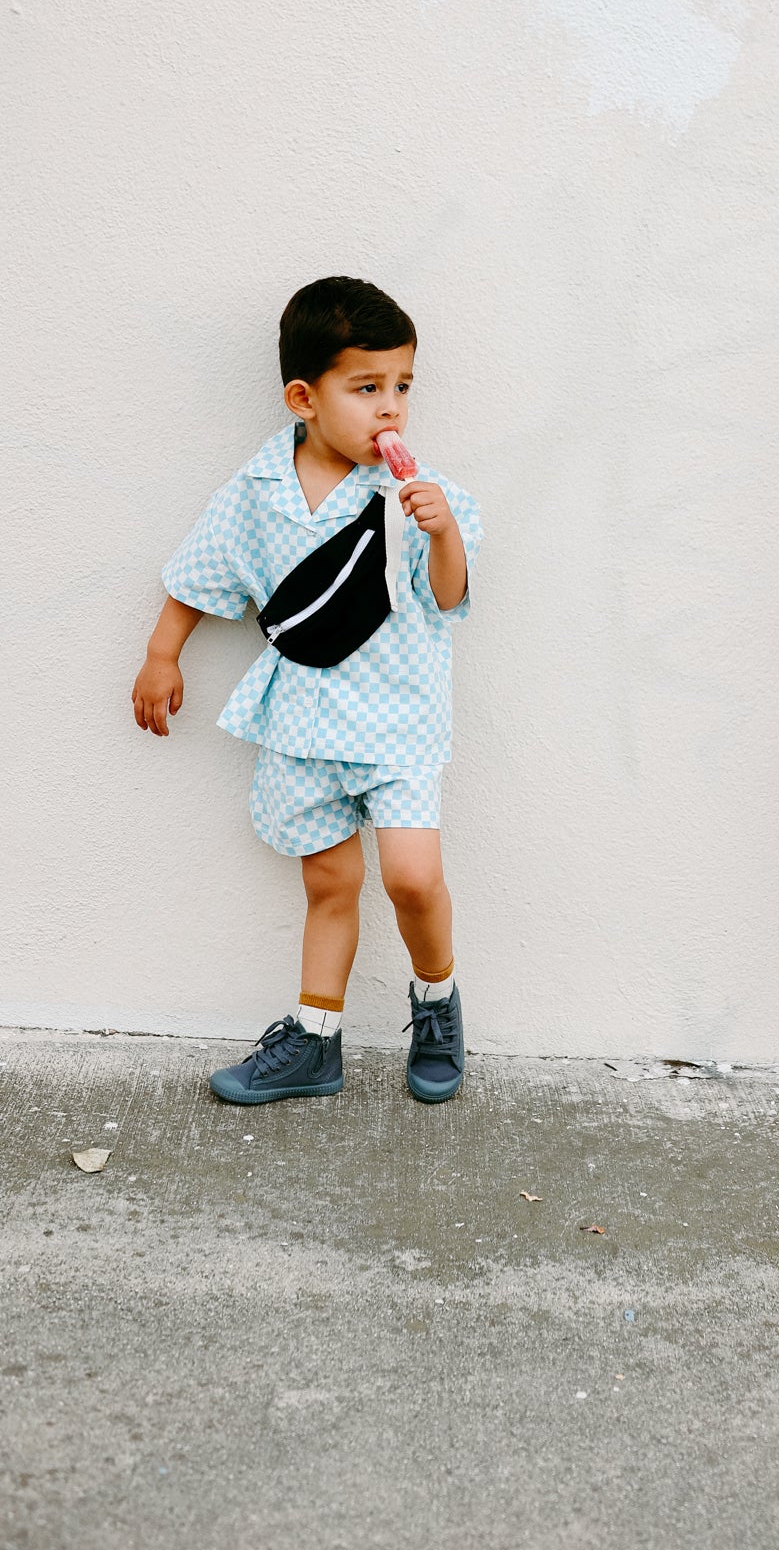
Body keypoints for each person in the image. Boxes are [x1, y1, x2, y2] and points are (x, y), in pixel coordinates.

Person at [131, 276, 482, 1107]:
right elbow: (203, 573)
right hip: (302, 721)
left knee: (411, 876)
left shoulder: (416, 493)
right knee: (329, 885)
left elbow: (448, 598)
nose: (389, 409)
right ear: (303, 397)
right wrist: (161, 653)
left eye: (402, 387)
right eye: (366, 389)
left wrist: (444, 532)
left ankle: (436, 1003)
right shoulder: (256, 491)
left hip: (399, 716)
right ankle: (314, 1041)